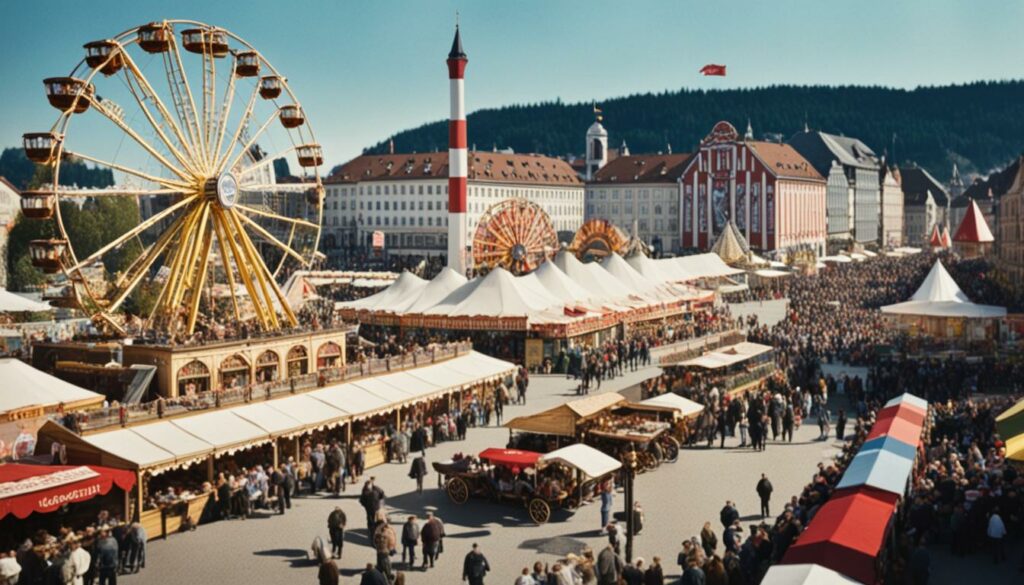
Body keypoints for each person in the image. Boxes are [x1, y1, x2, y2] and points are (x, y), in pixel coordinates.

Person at [373, 513, 397, 582]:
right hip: (384, 551)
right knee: (386, 565)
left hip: (381, 551)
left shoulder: (379, 532)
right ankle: (388, 578)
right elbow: (391, 539)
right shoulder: (385, 533)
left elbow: (374, 540)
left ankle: (381, 577)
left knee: (381, 564)